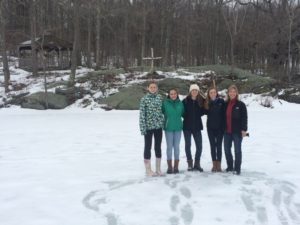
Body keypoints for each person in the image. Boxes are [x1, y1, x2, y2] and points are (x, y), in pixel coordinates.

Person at [139, 81, 164, 176]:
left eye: (154, 87)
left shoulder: (160, 98)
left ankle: (158, 169)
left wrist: (162, 122)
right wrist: (142, 128)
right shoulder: (144, 99)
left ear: (157, 88)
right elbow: (142, 115)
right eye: (151, 87)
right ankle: (148, 170)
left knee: (158, 147)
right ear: (148, 88)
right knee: (147, 147)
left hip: (158, 127)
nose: (153, 89)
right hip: (148, 127)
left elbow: (163, 111)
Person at [224, 84, 248, 175]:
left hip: (237, 132)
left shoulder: (241, 105)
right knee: (226, 149)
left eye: (234, 92)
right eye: (230, 91)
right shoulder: (225, 104)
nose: (232, 93)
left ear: (236, 93)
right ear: (228, 93)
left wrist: (244, 129)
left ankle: (237, 168)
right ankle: (230, 166)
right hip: (227, 131)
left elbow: (244, 118)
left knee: (237, 150)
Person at [182, 84, 206, 172]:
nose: (194, 92)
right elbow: (182, 112)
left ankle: (197, 163)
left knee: (199, 146)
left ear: (198, 91)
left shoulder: (201, 101)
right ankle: (190, 164)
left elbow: (204, 110)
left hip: (197, 127)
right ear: (190, 91)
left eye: (196, 90)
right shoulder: (185, 101)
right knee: (188, 145)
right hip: (187, 127)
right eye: (193, 90)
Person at [162, 88, 184, 174]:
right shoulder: (165, 103)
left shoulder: (180, 103)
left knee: (177, 147)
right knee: (169, 147)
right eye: (171, 94)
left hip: (178, 128)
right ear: (169, 95)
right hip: (168, 128)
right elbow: (162, 112)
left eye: (175, 93)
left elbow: (183, 113)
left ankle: (176, 167)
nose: (173, 95)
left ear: (177, 94)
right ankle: (169, 167)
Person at [204, 86, 225, 172]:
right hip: (210, 128)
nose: (212, 94)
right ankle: (214, 165)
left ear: (216, 93)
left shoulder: (221, 101)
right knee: (212, 146)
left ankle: (219, 165)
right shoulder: (207, 103)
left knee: (219, 146)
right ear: (209, 94)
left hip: (220, 127)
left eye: (214, 92)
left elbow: (224, 114)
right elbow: (202, 111)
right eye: (211, 92)